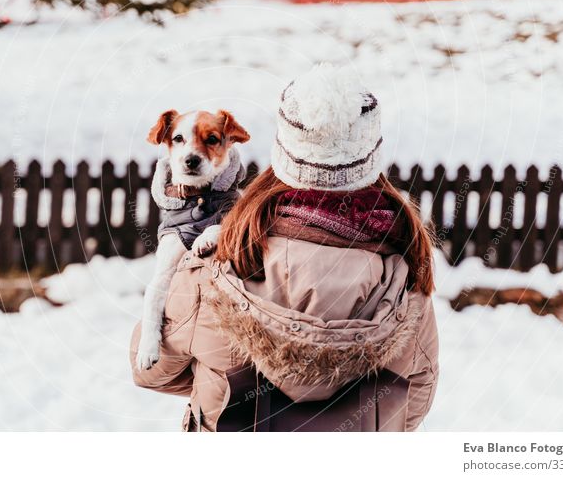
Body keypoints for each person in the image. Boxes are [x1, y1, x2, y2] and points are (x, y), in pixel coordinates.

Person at [130, 64, 439, 432]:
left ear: (285, 155)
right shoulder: (406, 272)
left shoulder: (219, 257)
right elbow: (416, 395)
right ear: (368, 161)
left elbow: (152, 371)